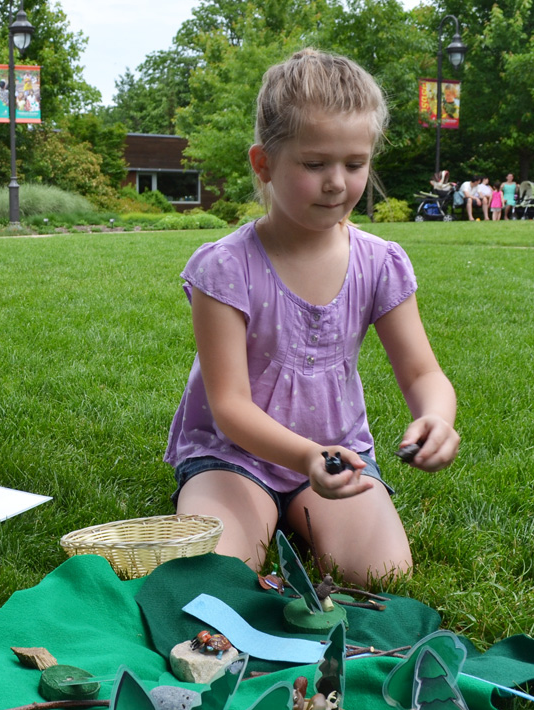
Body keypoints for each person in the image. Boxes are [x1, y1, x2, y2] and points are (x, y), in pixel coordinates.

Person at [164, 49, 459, 587]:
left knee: (379, 573)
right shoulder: (226, 267)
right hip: (236, 454)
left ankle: (301, 511)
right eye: (315, 163)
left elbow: (421, 373)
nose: (337, 183)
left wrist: (437, 416)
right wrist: (306, 457)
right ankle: (254, 508)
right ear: (264, 164)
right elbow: (229, 406)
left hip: (338, 453)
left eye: (355, 164)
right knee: (215, 573)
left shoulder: (379, 262)